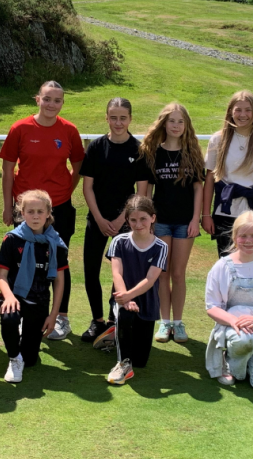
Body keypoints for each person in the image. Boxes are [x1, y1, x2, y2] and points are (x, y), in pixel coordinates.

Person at [0, 81, 83, 342]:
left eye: (57, 100)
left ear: (62, 103)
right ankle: (24, 314)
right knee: (21, 261)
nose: (51, 104)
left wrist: (64, 192)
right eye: (47, 99)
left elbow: (78, 164)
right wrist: (7, 206)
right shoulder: (20, 128)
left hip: (59, 207)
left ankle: (61, 317)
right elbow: (8, 170)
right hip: (24, 209)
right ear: (37, 99)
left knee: (59, 263)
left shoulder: (69, 130)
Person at [78, 98, 149, 343]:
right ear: (106, 118)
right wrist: (98, 218)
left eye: (123, 118)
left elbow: (140, 192)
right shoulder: (96, 147)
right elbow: (87, 188)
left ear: (130, 119)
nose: (118, 122)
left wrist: (122, 219)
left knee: (120, 272)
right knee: (90, 272)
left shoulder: (139, 150)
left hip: (126, 223)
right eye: (113, 117)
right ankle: (96, 321)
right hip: (96, 218)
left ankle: (112, 320)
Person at [140, 103, 205, 343]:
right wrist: (149, 222)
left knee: (178, 273)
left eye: (180, 122)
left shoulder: (193, 152)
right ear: (163, 124)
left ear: (186, 125)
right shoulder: (153, 152)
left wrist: (195, 219)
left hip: (184, 223)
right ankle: (164, 322)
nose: (176, 126)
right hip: (162, 222)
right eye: (172, 121)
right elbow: (146, 191)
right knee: (162, 274)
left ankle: (178, 323)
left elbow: (199, 188)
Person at [204, 211, 253, 392]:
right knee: (244, 341)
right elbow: (212, 307)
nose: (249, 241)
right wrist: (234, 321)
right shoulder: (221, 267)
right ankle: (230, 362)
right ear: (235, 237)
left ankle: (251, 361)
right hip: (231, 330)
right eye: (243, 236)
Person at [0, 190, 67, 384]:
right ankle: (13, 359)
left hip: (39, 301)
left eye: (40, 211)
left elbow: (59, 281)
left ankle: (24, 344)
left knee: (31, 360)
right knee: (10, 317)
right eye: (30, 211)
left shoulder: (57, 243)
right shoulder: (11, 239)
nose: (35, 216)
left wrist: (54, 315)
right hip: (14, 296)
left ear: (48, 213)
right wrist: (9, 297)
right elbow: (1, 276)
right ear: (22, 213)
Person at [98, 196, 168, 385]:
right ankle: (123, 364)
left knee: (142, 361)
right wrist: (125, 299)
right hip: (122, 299)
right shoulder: (119, 241)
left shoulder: (161, 247)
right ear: (127, 220)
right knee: (126, 317)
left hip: (147, 302)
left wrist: (130, 295)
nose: (138, 224)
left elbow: (151, 279)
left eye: (143, 219)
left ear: (152, 218)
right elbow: (117, 274)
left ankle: (115, 334)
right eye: (133, 220)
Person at [202, 91, 253, 258]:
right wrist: (206, 215)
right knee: (226, 264)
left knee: (250, 260)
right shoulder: (218, 140)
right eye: (238, 110)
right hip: (225, 211)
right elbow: (210, 179)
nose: (242, 115)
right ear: (231, 111)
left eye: (248, 110)